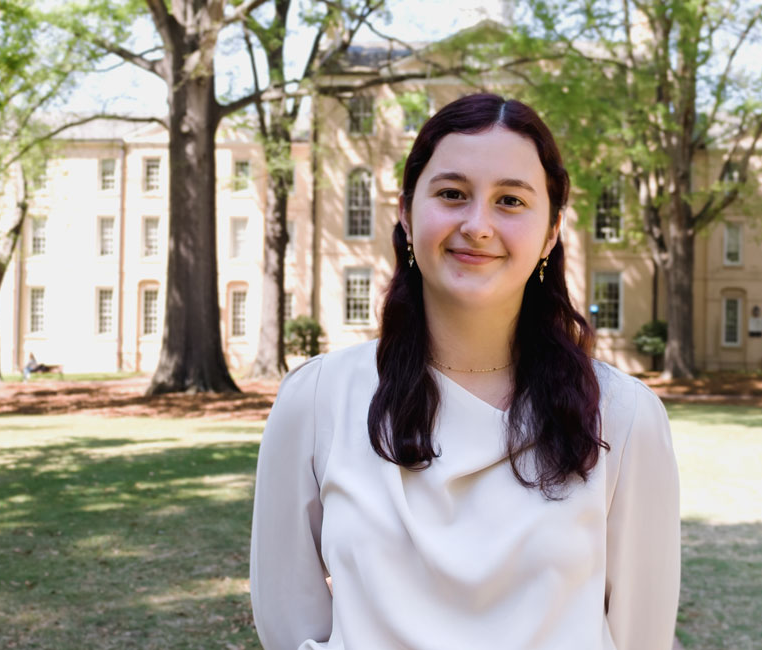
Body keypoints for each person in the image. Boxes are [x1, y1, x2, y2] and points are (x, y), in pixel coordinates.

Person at [250, 94, 680, 649]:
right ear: (406, 213)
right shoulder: (316, 401)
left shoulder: (623, 416)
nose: (477, 225)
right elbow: (289, 627)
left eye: (510, 200)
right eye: (452, 194)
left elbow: (639, 637)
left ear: (551, 231)